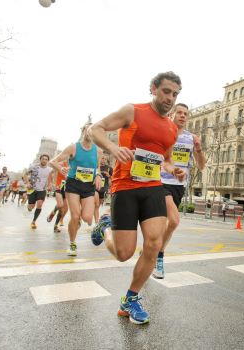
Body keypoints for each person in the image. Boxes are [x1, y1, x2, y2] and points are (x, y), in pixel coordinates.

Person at [89, 71, 185, 325]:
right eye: (166, 91)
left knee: (154, 244)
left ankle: (130, 298)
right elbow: (94, 129)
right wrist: (112, 147)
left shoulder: (172, 128)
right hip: (125, 187)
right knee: (124, 253)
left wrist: (172, 168)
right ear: (153, 89)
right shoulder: (132, 111)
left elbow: (165, 158)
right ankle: (106, 226)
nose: (170, 98)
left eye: (175, 94)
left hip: (153, 187)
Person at [152, 103, 206, 279]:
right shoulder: (163, 132)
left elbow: (201, 165)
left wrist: (198, 149)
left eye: (186, 114)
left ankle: (152, 252)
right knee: (174, 221)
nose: (183, 116)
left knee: (164, 225)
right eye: (179, 113)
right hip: (161, 182)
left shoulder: (191, 138)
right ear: (172, 114)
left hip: (179, 186)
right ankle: (158, 256)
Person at [50, 123, 102, 256]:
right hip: (73, 184)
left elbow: (98, 168)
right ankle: (72, 244)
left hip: (88, 186)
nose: (90, 132)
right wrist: (61, 168)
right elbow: (53, 161)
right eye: (88, 129)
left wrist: (98, 175)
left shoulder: (98, 151)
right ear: (83, 131)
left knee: (87, 218)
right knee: (75, 216)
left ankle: (77, 223)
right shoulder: (73, 147)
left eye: (93, 130)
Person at [26, 155, 54, 229]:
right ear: (40, 159)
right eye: (43, 159)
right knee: (31, 207)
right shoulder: (34, 167)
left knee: (39, 204)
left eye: (46, 159)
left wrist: (50, 185)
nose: (44, 160)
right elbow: (26, 174)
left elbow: (50, 179)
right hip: (32, 189)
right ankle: (29, 207)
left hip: (42, 190)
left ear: (48, 161)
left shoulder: (49, 169)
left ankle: (34, 221)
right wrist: (27, 183)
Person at [47, 160, 69, 233]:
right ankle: (52, 212)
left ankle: (56, 226)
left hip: (69, 189)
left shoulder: (76, 165)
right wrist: (50, 184)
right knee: (60, 205)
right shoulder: (61, 163)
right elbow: (50, 173)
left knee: (62, 211)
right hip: (59, 186)